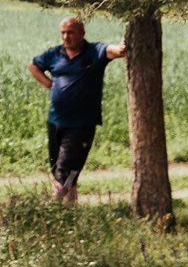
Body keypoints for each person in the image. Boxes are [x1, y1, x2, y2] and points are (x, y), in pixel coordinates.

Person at [29, 15, 126, 202]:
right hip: (55, 120)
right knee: (59, 168)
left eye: (70, 32)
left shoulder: (94, 51)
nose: (66, 37)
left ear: (82, 33)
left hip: (81, 124)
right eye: (63, 33)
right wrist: (50, 85)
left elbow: (113, 51)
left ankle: (52, 209)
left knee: (64, 171)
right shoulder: (55, 54)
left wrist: (122, 47)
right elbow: (33, 65)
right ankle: (70, 212)